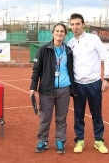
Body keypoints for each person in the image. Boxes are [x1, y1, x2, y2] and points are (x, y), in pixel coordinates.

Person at [67, 13, 109, 154]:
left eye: (78, 24)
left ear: (83, 24)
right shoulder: (70, 43)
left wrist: (106, 78)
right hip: (78, 85)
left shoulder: (94, 39)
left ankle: (99, 141)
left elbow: (106, 57)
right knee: (78, 114)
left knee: (96, 113)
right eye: (72, 24)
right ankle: (79, 140)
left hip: (94, 83)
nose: (75, 27)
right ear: (70, 26)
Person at [30, 23, 76, 154]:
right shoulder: (43, 50)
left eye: (62, 31)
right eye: (57, 31)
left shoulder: (68, 51)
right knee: (45, 118)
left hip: (64, 89)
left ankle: (60, 141)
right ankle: (42, 141)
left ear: (65, 34)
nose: (59, 33)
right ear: (53, 33)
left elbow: (71, 70)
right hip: (46, 90)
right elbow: (36, 70)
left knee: (61, 118)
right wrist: (33, 87)